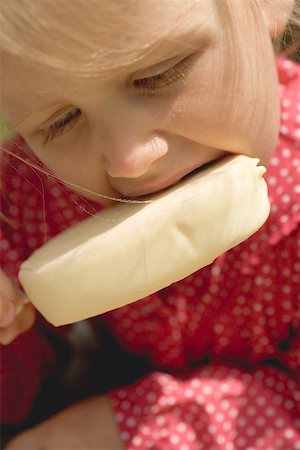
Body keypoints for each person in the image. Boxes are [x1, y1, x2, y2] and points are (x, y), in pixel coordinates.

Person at [0, 0, 299, 448]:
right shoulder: (33, 192)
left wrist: (127, 426)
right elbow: (16, 393)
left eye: (159, 74)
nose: (131, 161)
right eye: (61, 122)